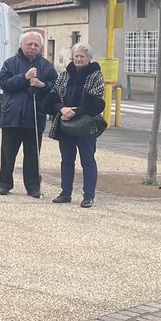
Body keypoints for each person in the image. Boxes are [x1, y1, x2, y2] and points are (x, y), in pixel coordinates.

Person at [45, 43, 107, 208]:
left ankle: (88, 196)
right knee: (66, 160)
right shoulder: (65, 74)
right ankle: (65, 193)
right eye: (77, 56)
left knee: (87, 160)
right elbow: (54, 96)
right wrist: (62, 109)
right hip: (65, 124)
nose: (79, 59)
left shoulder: (96, 75)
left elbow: (96, 101)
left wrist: (76, 111)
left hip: (86, 125)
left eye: (82, 56)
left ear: (89, 59)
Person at [0, 31, 56, 198]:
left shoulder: (46, 66)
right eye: (30, 44)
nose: (33, 47)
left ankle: (33, 186)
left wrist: (41, 84)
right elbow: (5, 84)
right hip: (12, 116)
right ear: (22, 45)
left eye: (36, 45)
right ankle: (5, 184)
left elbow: (55, 87)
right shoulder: (10, 63)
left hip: (35, 117)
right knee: (8, 153)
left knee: (32, 154)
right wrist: (24, 77)